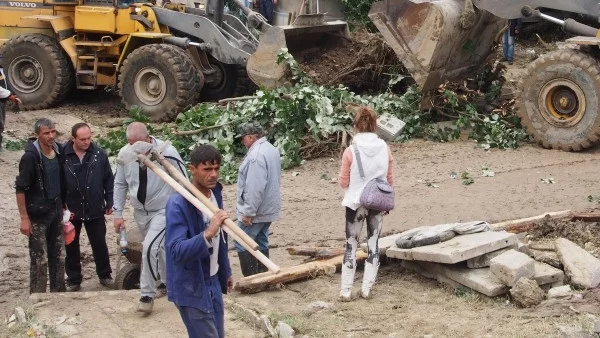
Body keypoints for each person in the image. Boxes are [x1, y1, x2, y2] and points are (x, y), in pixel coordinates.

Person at [113, 122, 187, 313]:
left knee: (149, 247)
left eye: (140, 143)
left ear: (148, 138)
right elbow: (120, 184)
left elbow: (183, 180)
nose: (136, 148)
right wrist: (118, 213)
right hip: (140, 211)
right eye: (132, 144)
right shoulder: (124, 154)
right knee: (160, 249)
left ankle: (147, 294)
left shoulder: (167, 151)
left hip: (163, 209)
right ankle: (167, 284)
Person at [165, 145, 233, 338]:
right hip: (191, 284)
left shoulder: (215, 194)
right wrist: (208, 233)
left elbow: (222, 239)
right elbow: (176, 251)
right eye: (207, 169)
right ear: (192, 169)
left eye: (216, 169)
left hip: (212, 280)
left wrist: (225, 270)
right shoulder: (178, 204)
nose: (213, 175)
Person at [337, 106, 394, 301]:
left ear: (355, 126)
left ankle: (346, 291)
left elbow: (344, 181)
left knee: (351, 245)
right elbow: (389, 178)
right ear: (375, 126)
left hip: (355, 202)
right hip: (378, 201)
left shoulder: (351, 151)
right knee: (373, 244)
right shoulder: (385, 148)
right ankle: (367, 289)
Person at [15, 118, 67, 293]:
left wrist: (65, 207)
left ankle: (58, 295)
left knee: (59, 256)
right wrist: (24, 218)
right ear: (37, 135)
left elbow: (62, 182)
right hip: (37, 215)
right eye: (46, 133)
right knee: (40, 259)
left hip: (56, 210)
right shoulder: (31, 157)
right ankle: (37, 297)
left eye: (53, 131)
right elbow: (20, 188)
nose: (51, 136)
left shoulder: (59, 152)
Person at [63, 123, 114, 291]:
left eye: (89, 138)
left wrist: (109, 201)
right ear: (73, 139)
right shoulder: (62, 155)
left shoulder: (99, 154)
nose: (87, 142)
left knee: (99, 243)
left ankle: (105, 275)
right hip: (71, 209)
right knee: (71, 245)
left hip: (94, 207)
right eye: (82, 139)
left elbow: (108, 179)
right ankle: (74, 279)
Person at [235, 122, 281, 276]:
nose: (242, 142)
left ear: (250, 137)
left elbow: (255, 187)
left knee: (242, 241)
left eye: (243, 138)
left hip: (258, 209)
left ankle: (252, 278)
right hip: (269, 206)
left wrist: (248, 211)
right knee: (261, 240)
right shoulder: (271, 149)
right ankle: (264, 275)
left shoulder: (256, 155)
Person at [0, 68, 21, 150]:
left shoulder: (1, 69)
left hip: (2, 101)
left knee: (1, 124)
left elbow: (6, 83)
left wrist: (14, 94)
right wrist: (10, 96)